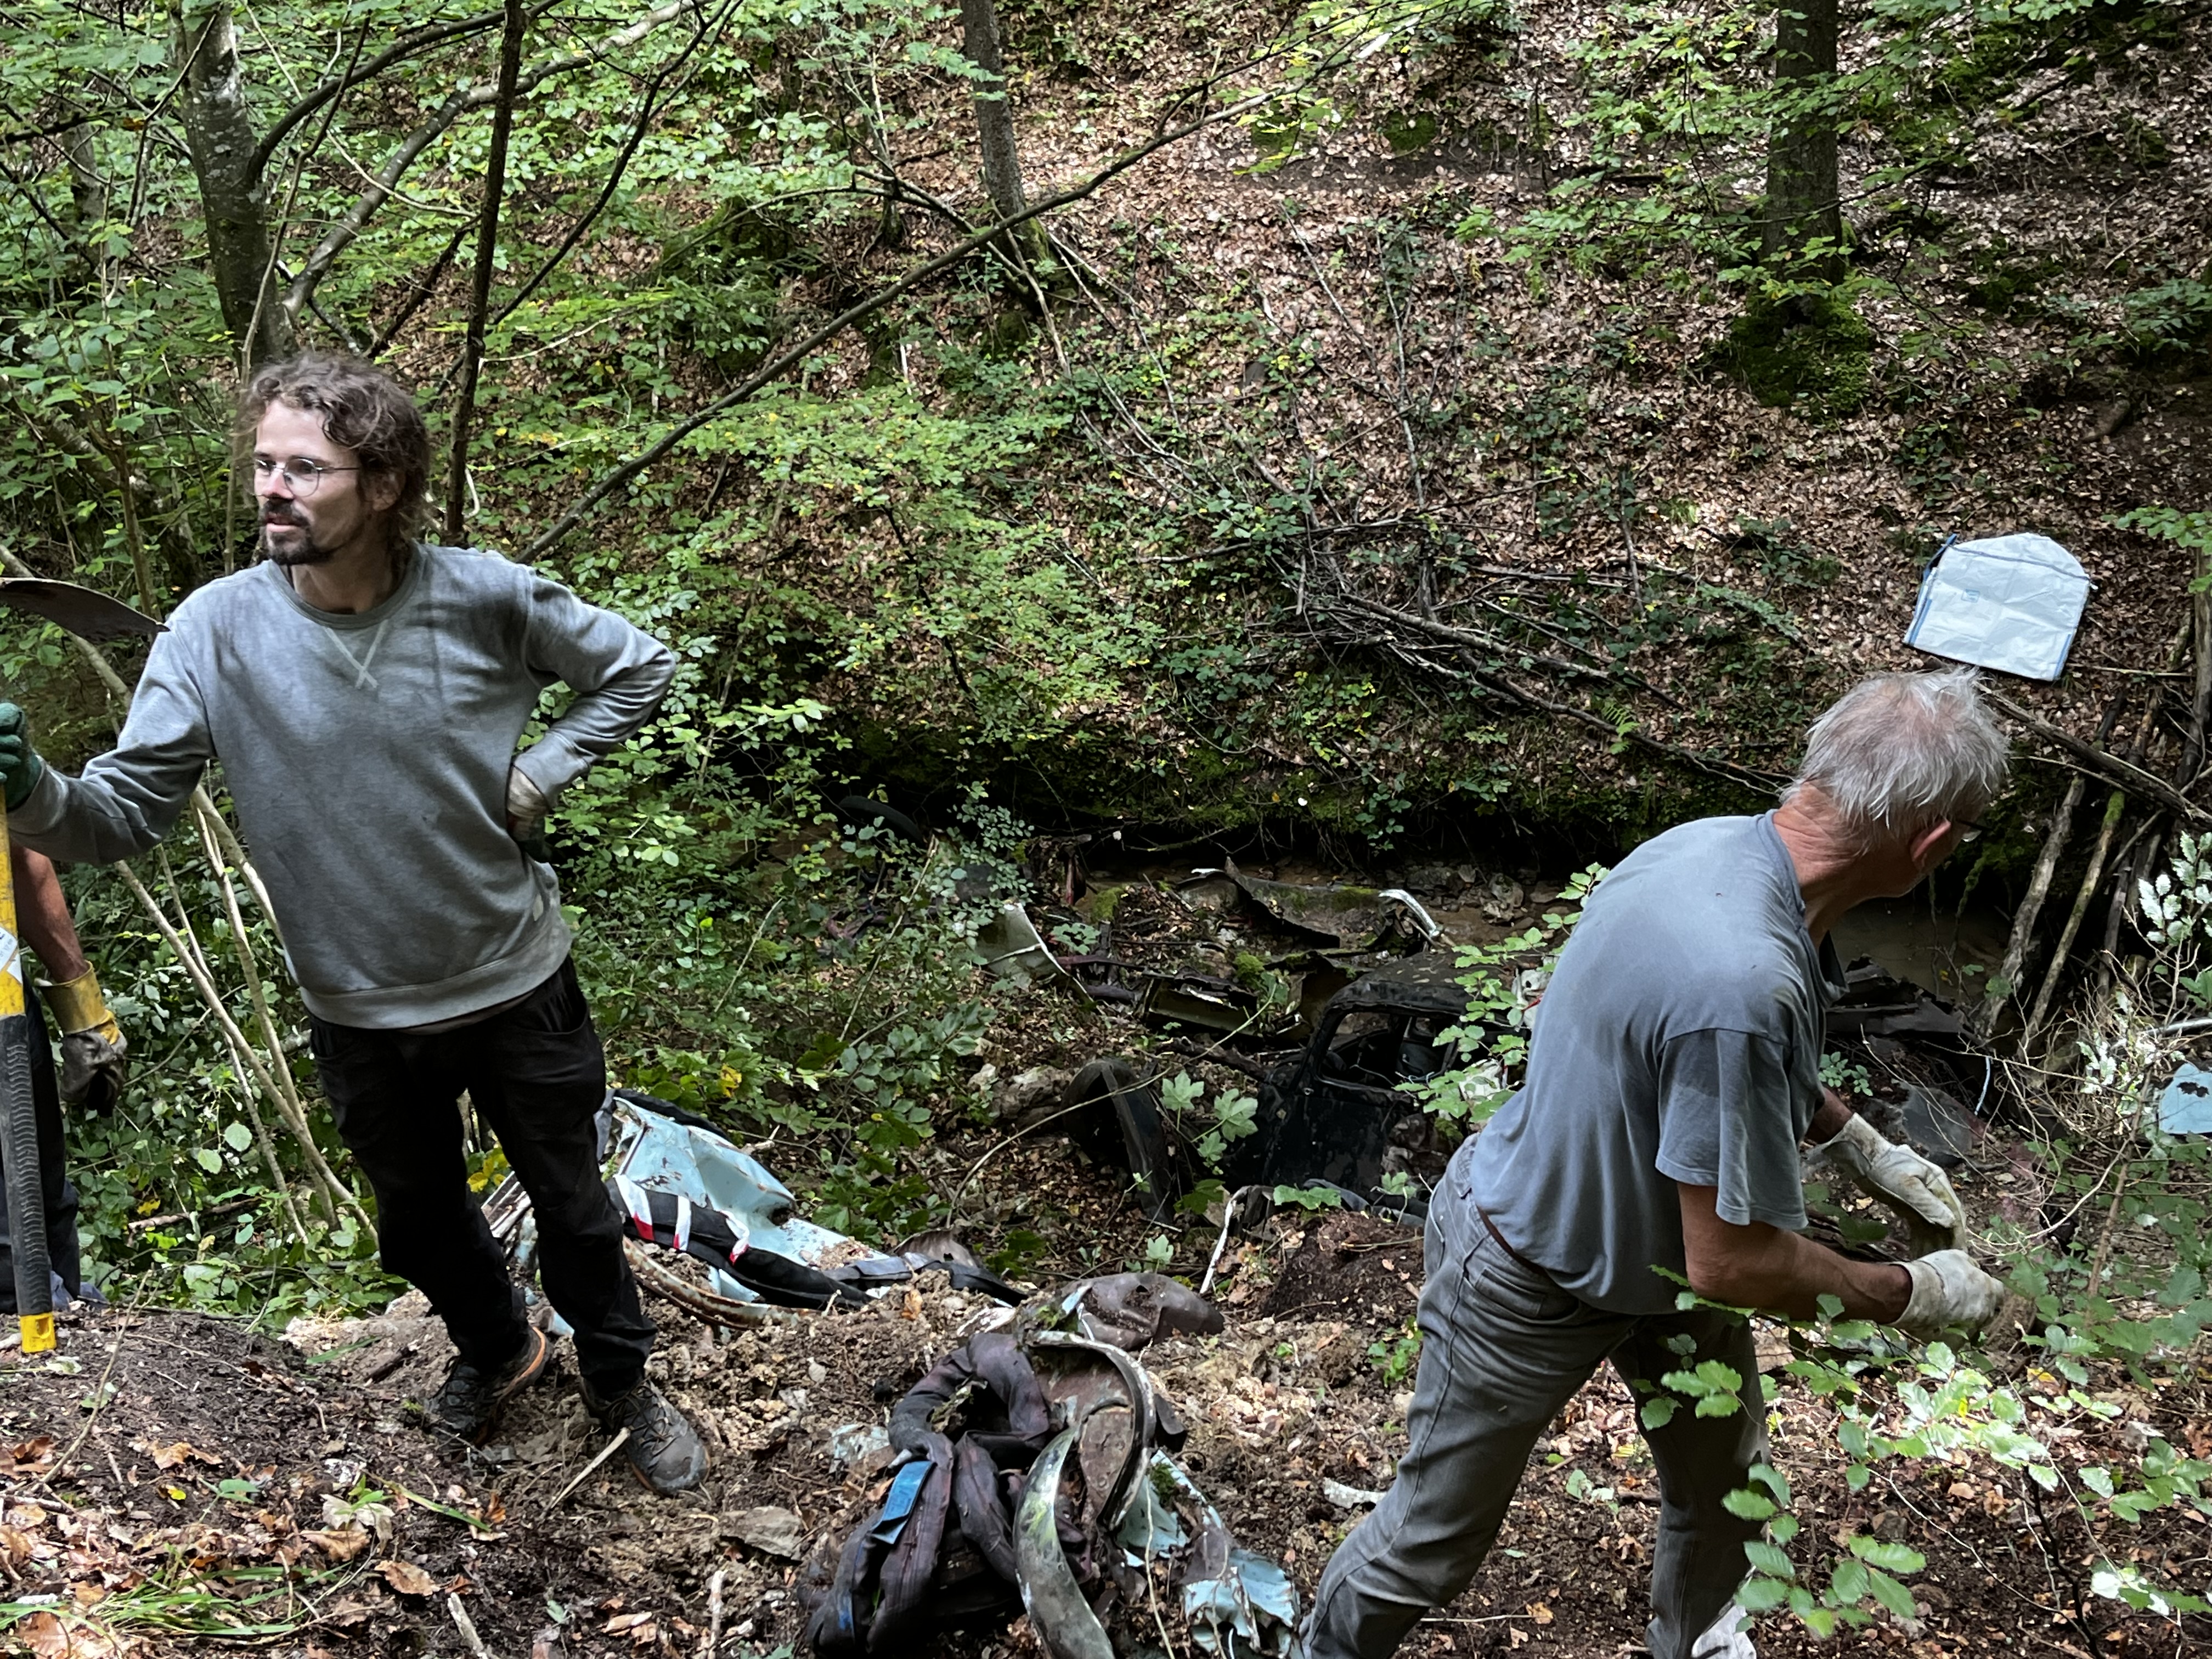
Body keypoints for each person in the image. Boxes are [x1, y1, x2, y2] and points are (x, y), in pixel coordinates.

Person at [0, 352, 707, 1493]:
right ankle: (500, 1346)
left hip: (513, 978)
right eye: (263, 464)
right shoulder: (213, 632)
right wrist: (31, 787)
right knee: (417, 1225)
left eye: (305, 469)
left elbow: (638, 667)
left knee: (576, 1211)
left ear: (383, 486)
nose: (272, 489)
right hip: (358, 1006)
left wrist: (538, 775)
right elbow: (120, 816)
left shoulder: (486, 597)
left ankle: (620, 1380)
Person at [1304, 669, 2014, 1659]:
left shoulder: (1709, 848)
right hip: (1528, 1268)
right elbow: (1732, 1260)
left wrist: (1856, 1141)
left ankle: (1696, 1639)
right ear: (1931, 843)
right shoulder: (1741, 975)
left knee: (1727, 1491)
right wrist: (1912, 1292)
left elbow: (1698, 1050)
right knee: (1429, 1541)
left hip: (1660, 1266)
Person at [0, 843, 127, 1314]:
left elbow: (20, 854)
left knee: (41, 1193)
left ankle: (64, 1309)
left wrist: (85, 1014)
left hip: (3, 986)